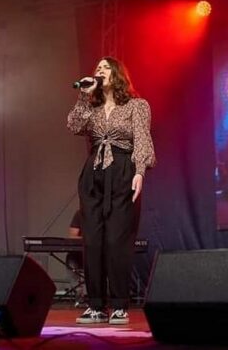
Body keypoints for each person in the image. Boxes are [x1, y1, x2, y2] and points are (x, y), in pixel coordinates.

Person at [67, 56, 155, 325]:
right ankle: (95, 304)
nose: (100, 71)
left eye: (105, 68)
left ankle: (118, 304)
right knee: (93, 240)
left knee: (117, 240)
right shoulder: (91, 108)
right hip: (94, 172)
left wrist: (140, 171)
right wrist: (84, 95)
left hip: (122, 169)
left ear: (117, 75)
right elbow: (74, 126)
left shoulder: (137, 105)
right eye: (97, 68)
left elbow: (142, 139)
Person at [65, 209, 86, 306]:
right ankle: (79, 294)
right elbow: (73, 236)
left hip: (98, 251)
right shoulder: (80, 213)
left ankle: (91, 295)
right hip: (82, 250)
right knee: (71, 258)